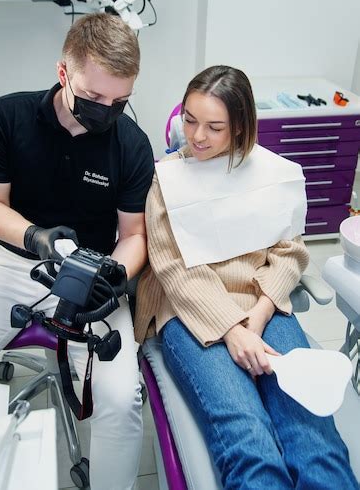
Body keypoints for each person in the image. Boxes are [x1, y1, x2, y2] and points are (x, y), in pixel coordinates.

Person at [0, 13, 154, 490]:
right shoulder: (6, 117)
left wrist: (117, 274)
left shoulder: (132, 144)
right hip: (12, 263)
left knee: (121, 399)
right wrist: (36, 237)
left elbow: (134, 233)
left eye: (121, 101)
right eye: (95, 97)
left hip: (94, 275)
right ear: (64, 73)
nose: (107, 111)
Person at [134, 65, 358, 490]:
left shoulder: (270, 175)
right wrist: (233, 331)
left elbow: (291, 252)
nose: (197, 136)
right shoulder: (168, 182)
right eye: (190, 119)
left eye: (214, 127)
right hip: (191, 313)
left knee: (315, 441)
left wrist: (259, 314)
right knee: (250, 443)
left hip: (262, 306)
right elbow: (175, 271)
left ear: (239, 128)